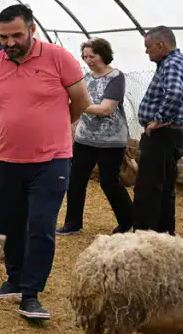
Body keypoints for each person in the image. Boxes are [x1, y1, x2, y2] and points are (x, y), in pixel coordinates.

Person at [0, 4, 90, 322]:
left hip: (51, 160)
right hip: (6, 158)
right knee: (8, 224)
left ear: (31, 29)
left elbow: (80, 101)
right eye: (4, 37)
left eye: (16, 35)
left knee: (41, 226)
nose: (10, 42)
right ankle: (13, 279)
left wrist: (53, 129)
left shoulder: (58, 58)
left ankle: (31, 294)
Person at [56, 38, 134, 235]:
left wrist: (80, 106)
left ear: (104, 55)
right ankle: (73, 223)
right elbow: (74, 97)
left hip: (111, 140)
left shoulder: (116, 77)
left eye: (92, 56)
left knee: (109, 182)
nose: (88, 60)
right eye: (85, 57)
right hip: (85, 138)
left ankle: (127, 221)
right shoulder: (85, 77)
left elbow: (106, 109)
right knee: (75, 181)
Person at [132, 25, 183, 235]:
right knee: (165, 187)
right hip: (175, 133)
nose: (146, 51)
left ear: (160, 45)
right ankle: (164, 234)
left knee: (148, 189)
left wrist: (158, 120)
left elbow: (174, 93)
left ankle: (143, 237)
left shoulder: (171, 64)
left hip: (162, 135)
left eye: (148, 47)